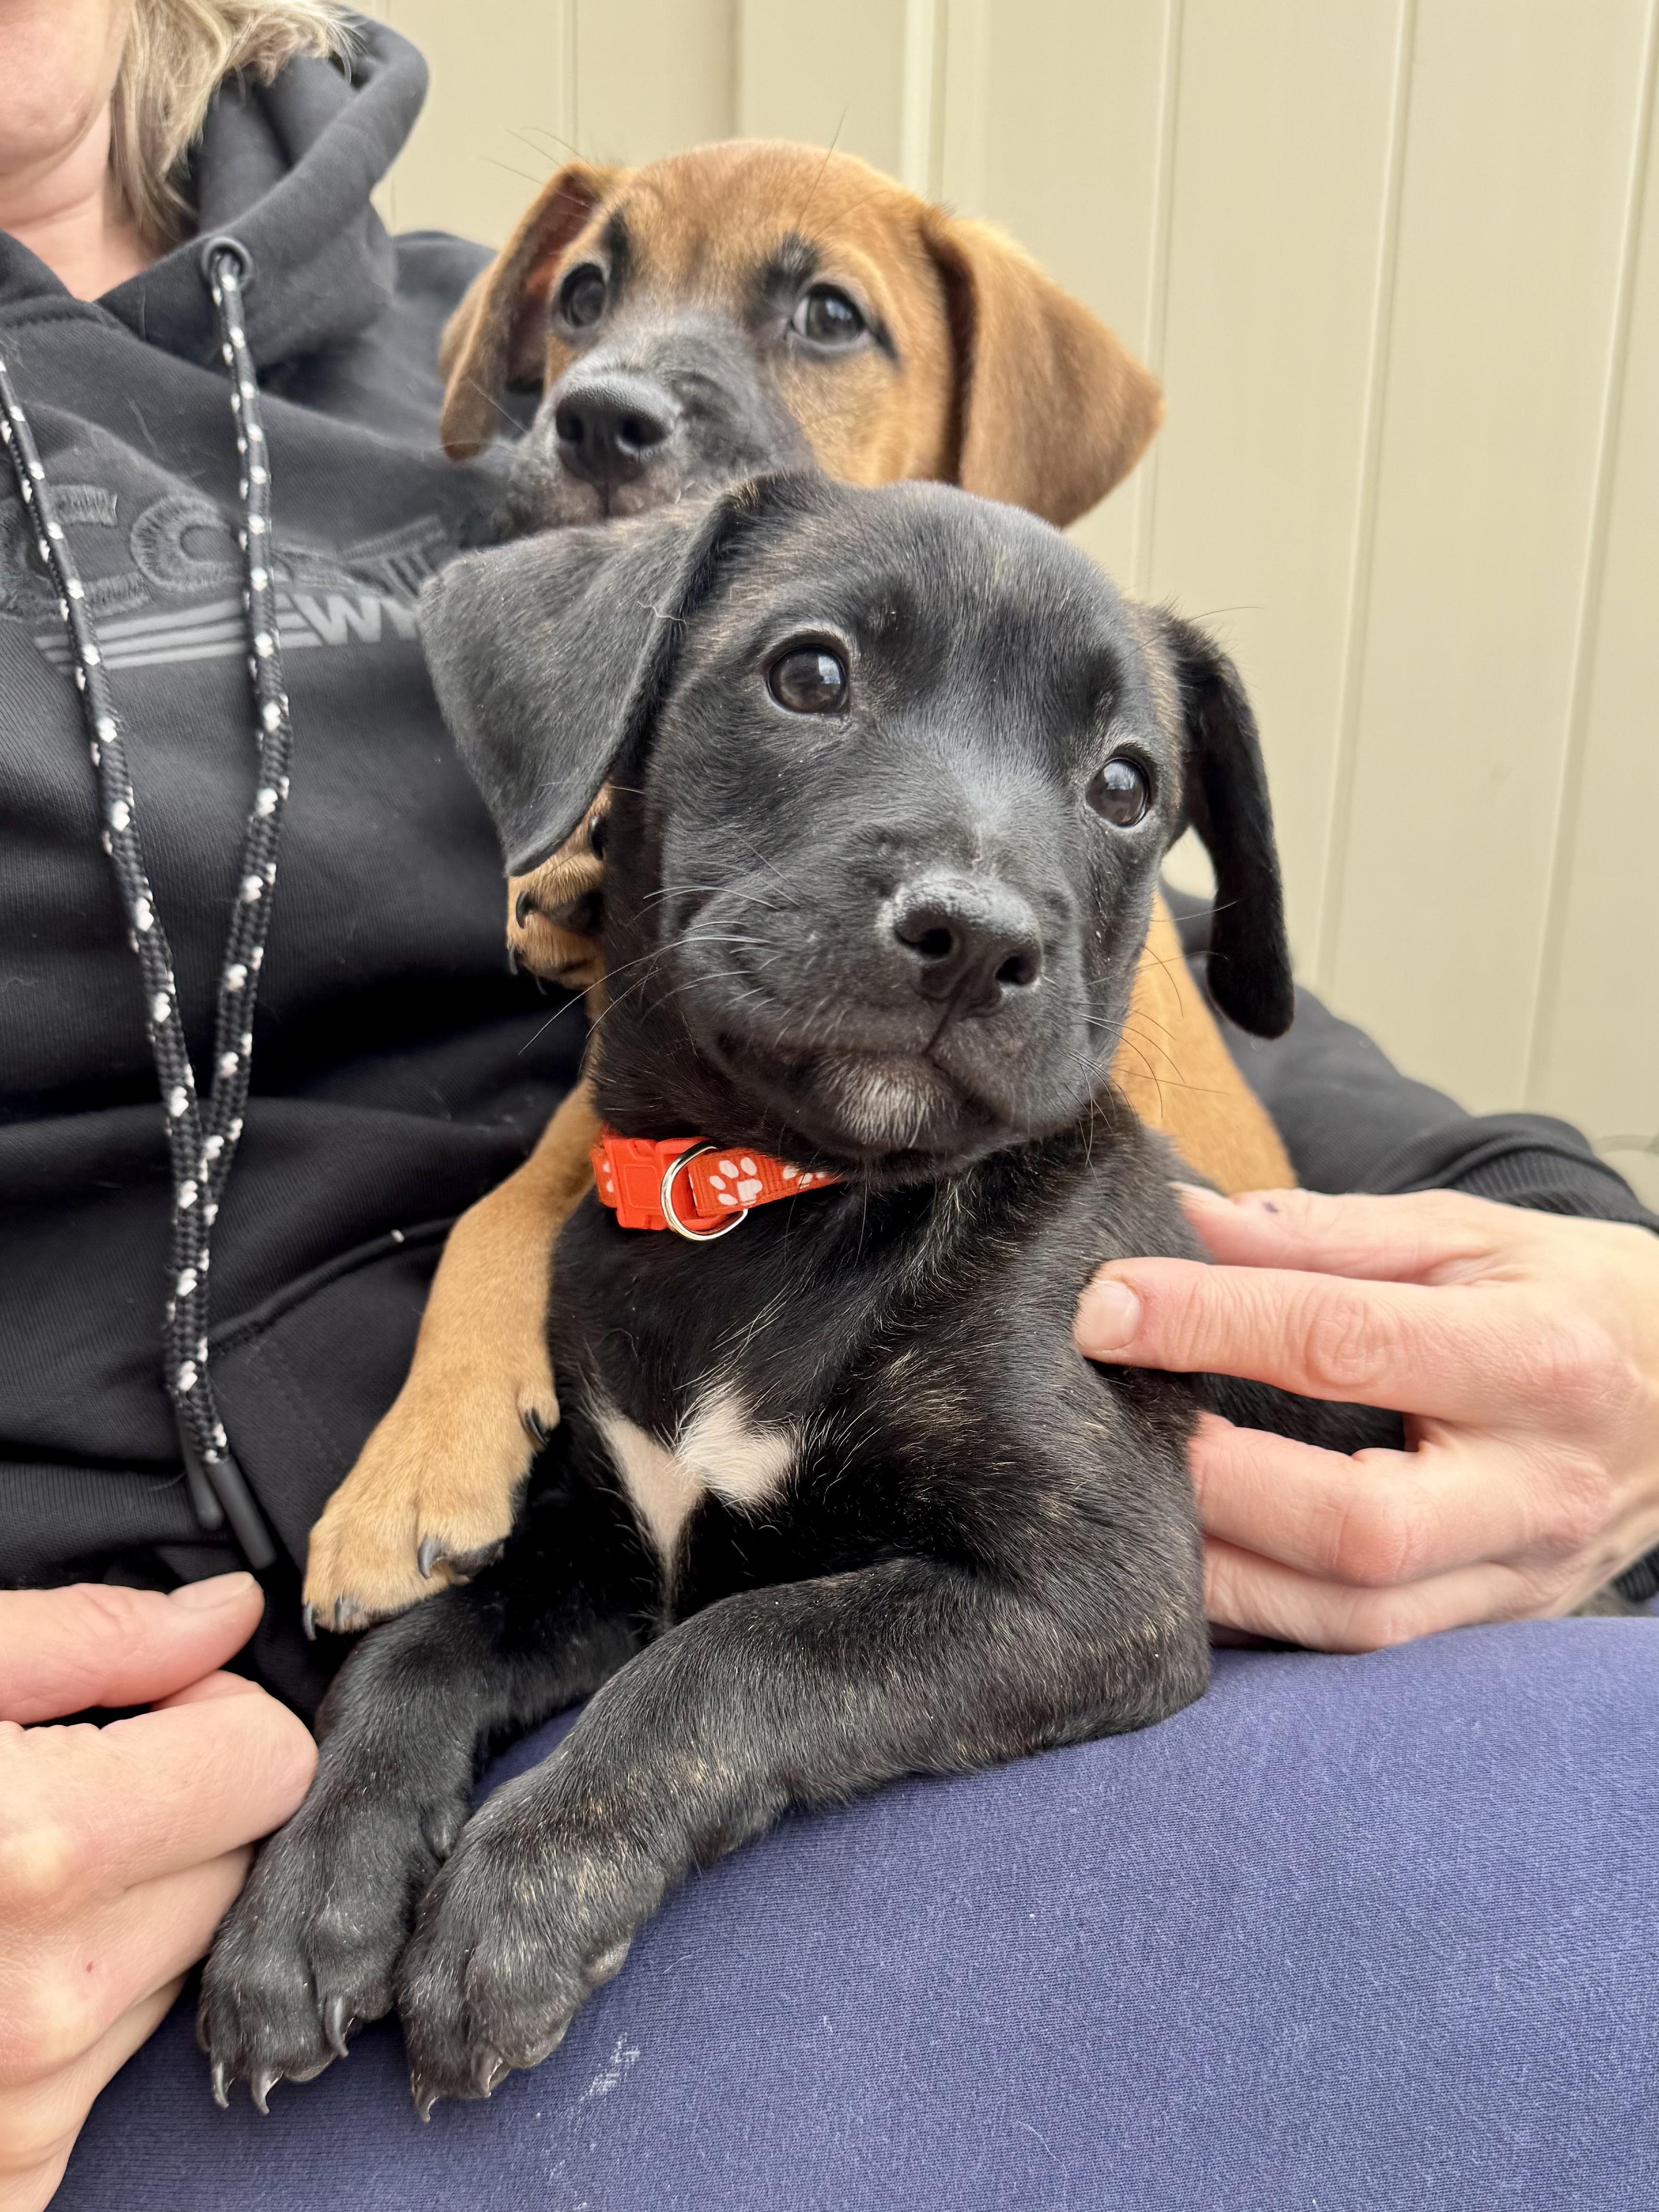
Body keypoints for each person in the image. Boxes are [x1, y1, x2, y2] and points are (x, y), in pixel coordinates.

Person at [1, 5, 1655, 2206]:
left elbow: (1228, 1045)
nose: (622, 392)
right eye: (589, 332)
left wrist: (1615, 1294)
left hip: (921, 1602)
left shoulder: (502, 366)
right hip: (188, 1850)